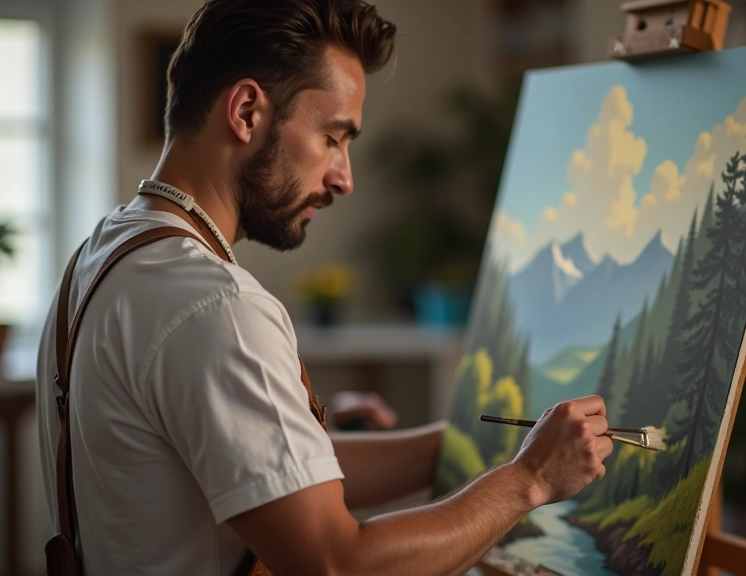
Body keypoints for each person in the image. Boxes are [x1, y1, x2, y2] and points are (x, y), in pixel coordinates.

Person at [35, 1, 614, 575]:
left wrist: (462, 443)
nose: (344, 177)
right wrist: (529, 479)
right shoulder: (214, 305)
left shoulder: (102, 255)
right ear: (246, 111)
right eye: (333, 137)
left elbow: (256, 482)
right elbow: (336, 563)